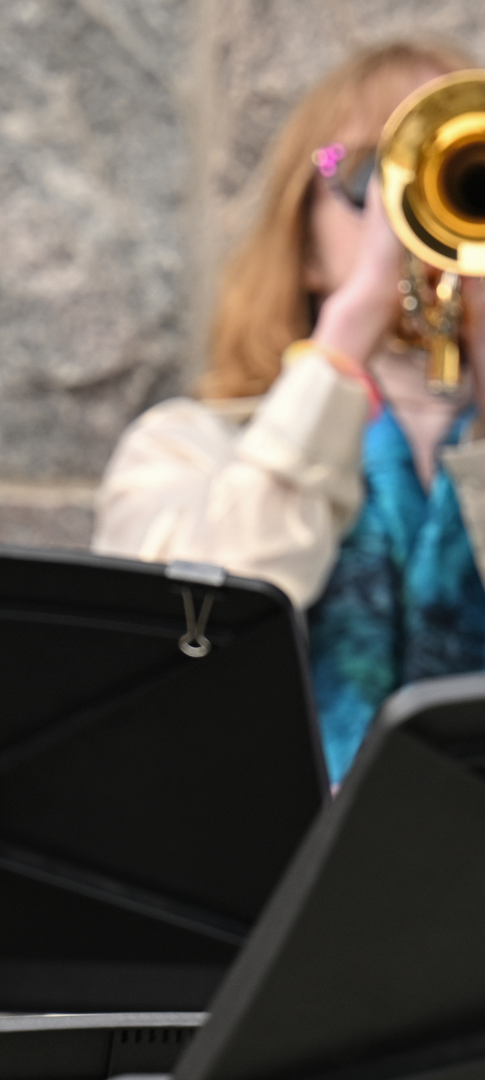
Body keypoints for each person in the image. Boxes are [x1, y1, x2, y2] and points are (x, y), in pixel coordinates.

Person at [94, 39, 484, 781]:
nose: (415, 217)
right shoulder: (186, 446)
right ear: (301, 240)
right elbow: (193, 642)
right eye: (372, 173)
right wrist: (345, 338)